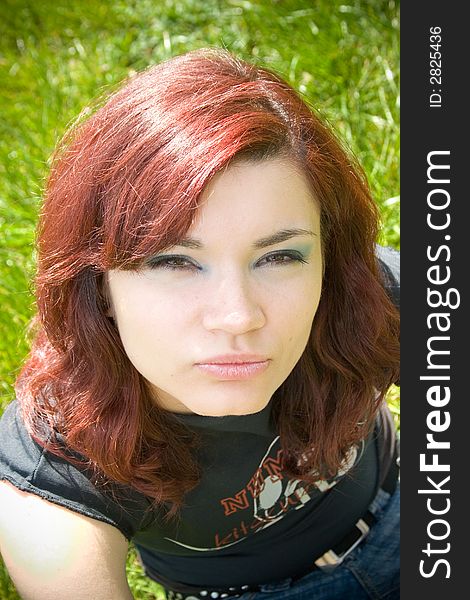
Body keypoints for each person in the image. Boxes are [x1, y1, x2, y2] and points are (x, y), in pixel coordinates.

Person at [0, 48, 400, 600]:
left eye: (280, 257)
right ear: (100, 287)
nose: (237, 316)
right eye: (174, 262)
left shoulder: (362, 297)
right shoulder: (57, 459)